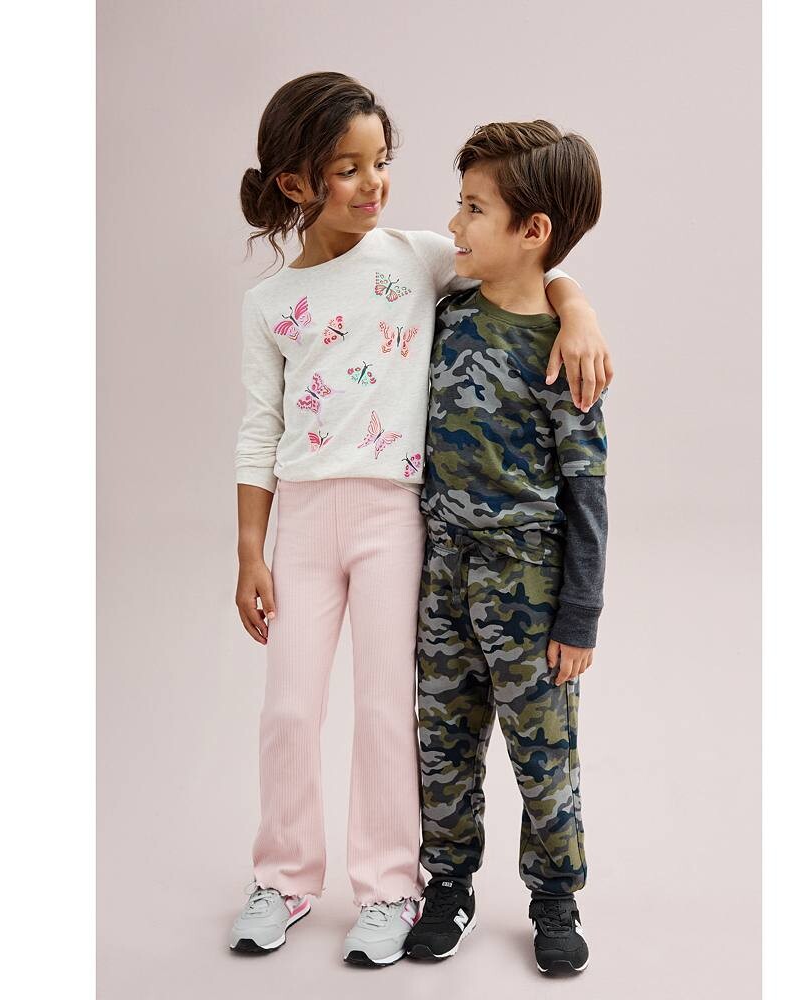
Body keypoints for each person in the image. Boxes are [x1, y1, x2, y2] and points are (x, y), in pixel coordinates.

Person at [228, 74, 612, 967]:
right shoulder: (270, 304)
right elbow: (258, 429)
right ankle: (286, 877)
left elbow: (532, 260)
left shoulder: (416, 257)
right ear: (297, 183)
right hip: (312, 524)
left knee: (388, 712)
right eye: (349, 169)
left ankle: (392, 889)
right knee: (293, 710)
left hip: (400, 523)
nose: (374, 184)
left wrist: (580, 309)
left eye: (382, 162)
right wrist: (250, 549)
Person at [403, 120, 608, 976]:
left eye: (473, 208)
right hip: (442, 573)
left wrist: (579, 615)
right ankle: (448, 887)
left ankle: (554, 899)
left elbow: (588, 492)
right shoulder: (446, 313)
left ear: (533, 230)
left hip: (528, 584)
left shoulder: (565, 353)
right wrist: (573, 291)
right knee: (442, 742)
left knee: (542, 752)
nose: (454, 223)